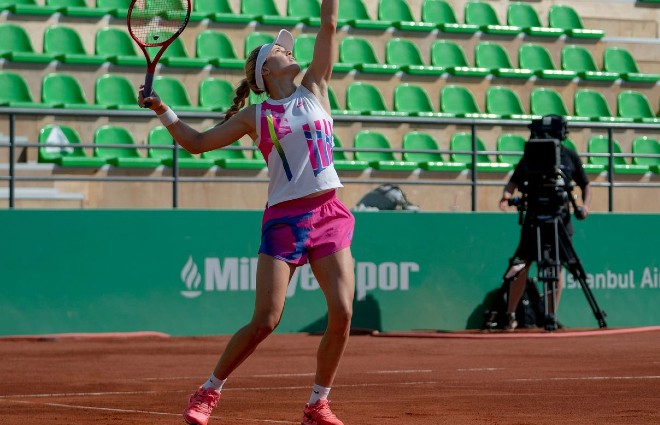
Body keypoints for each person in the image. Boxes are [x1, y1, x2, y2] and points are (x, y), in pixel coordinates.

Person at [138, 1, 354, 424]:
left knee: (343, 312)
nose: (288, 52)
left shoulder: (316, 88)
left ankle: (317, 403)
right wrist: (163, 109)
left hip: (329, 210)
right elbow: (197, 144)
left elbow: (329, 23)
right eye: (278, 52)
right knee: (266, 320)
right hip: (284, 221)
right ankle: (207, 392)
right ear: (264, 73)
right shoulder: (256, 115)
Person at [498, 125, 591, 331]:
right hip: (534, 217)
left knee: (558, 267)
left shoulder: (569, 156)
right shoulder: (531, 156)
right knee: (521, 264)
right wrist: (506, 197)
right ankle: (510, 315)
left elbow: (585, 183)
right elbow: (513, 181)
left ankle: (551, 315)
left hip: (561, 219)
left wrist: (585, 206)